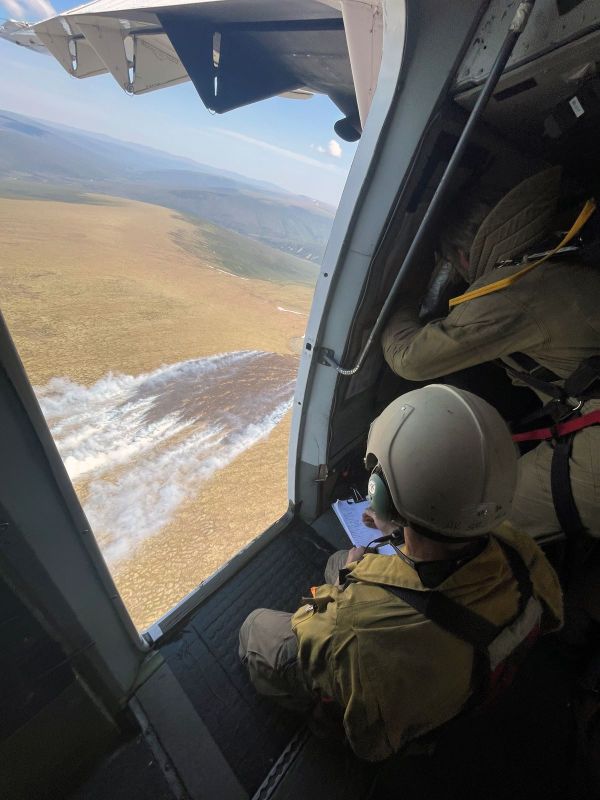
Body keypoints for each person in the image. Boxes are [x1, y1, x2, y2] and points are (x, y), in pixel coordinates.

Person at [239, 385, 563, 761]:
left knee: (255, 629)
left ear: (378, 492)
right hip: (470, 674)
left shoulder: (357, 623)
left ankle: (325, 720)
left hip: (392, 714)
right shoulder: (521, 548)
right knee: (341, 560)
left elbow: (313, 629)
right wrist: (393, 522)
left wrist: (349, 581)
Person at [381, 166, 600, 540]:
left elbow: (409, 358)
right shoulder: (555, 257)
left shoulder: (512, 291)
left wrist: (397, 301)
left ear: (463, 257)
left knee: (473, 520)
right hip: (582, 413)